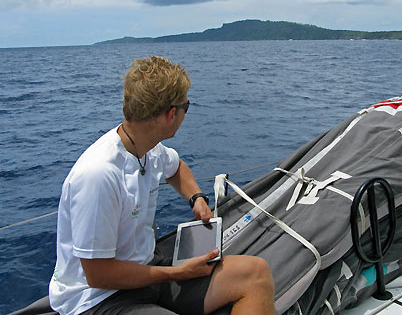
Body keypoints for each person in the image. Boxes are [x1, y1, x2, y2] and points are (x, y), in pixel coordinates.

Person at [48, 56, 275, 315]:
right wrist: (177, 272)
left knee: (255, 274)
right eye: (186, 106)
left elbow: (177, 168)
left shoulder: (148, 147)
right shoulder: (98, 175)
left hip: (146, 269)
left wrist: (196, 199)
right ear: (171, 115)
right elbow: (98, 275)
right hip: (99, 299)